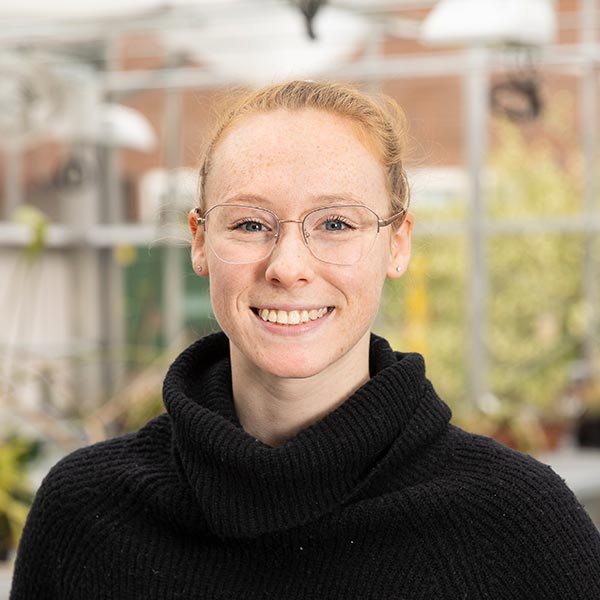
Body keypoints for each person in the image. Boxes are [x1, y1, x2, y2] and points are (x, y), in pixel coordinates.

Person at [10, 80, 600, 599]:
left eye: (336, 223)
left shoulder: (515, 523)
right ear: (198, 241)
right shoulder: (88, 515)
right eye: (249, 224)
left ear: (397, 243)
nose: (288, 267)